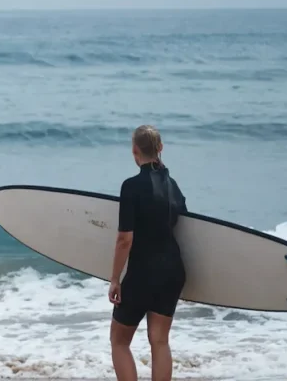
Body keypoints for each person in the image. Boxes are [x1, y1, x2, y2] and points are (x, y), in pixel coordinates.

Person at [108, 124, 188, 381]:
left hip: (143, 273)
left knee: (119, 341)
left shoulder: (131, 186)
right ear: (160, 149)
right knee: (159, 341)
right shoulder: (173, 186)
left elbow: (124, 239)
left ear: (134, 150)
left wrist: (114, 278)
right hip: (173, 272)